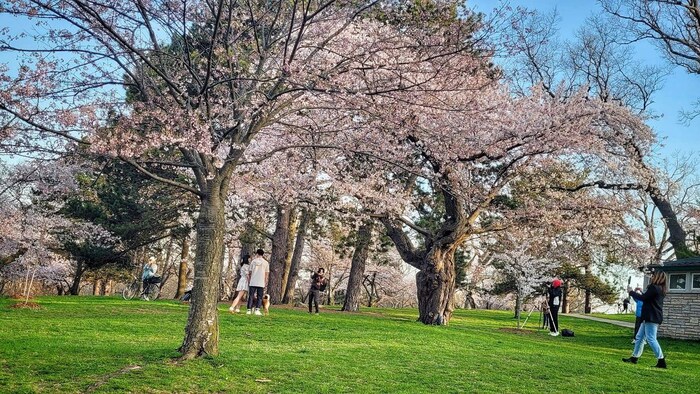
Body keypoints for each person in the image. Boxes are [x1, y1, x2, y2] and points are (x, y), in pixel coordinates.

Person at [622, 271, 667, 368]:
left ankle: (661, 361)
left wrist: (631, 292)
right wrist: (638, 292)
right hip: (651, 316)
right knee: (639, 337)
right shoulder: (660, 289)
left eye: (653, 275)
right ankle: (634, 358)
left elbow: (643, 298)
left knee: (651, 338)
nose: (651, 277)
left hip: (651, 317)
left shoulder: (654, 287)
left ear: (657, 277)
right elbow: (648, 298)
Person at [246, 249, 269, 316]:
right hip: (261, 282)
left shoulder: (253, 261)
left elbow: (250, 272)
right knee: (259, 297)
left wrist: (249, 280)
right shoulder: (266, 263)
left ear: (257, 254)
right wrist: (265, 281)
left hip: (253, 281)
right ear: (263, 254)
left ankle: (249, 310)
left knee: (251, 296)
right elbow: (266, 273)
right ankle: (257, 310)